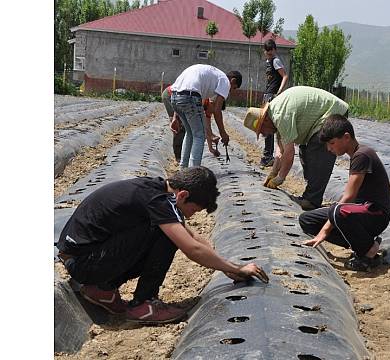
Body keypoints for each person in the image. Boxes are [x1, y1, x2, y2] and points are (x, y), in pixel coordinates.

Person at [56, 167, 269, 324]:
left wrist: (228, 267)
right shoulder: (158, 201)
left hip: (84, 257)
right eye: (193, 210)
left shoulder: (158, 191)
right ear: (183, 195)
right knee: (165, 235)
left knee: (166, 231)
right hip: (85, 263)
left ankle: (102, 289)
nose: (191, 215)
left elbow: (191, 235)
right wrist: (235, 269)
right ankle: (143, 304)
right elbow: (191, 249)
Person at [299, 115, 390, 271]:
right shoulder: (358, 154)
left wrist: (324, 232)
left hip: (376, 215)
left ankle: (368, 251)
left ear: (346, 137)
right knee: (307, 220)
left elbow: (349, 196)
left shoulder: (362, 155)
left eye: (332, 143)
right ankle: (365, 243)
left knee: (337, 212)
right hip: (363, 212)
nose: (329, 149)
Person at [243, 86, 349, 211]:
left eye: (262, 131)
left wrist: (280, 178)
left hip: (333, 112)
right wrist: (273, 173)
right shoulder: (275, 115)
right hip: (319, 120)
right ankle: (312, 193)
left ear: (265, 120)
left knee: (318, 149)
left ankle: (311, 200)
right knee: (304, 152)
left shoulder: (280, 115)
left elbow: (288, 153)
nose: (264, 134)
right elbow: (281, 150)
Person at [171, 64, 242, 167]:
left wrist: (175, 116)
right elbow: (217, 111)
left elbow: (207, 111)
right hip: (190, 97)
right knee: (199, 135)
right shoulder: (225, 81)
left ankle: (183, 168)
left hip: (174, 97)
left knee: (190, 133)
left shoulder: (213, 76)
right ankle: (193, 172)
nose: (230, 91)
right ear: (233, 81)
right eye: (233, 88)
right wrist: (223, 133)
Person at [259, 39, 289, 168]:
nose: (269, 55)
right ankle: (269, 155)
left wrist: (279, 92)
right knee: (264, 127)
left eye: (271, 53)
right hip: (267, 94)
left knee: (269, 127)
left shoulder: (276, 61)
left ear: (275, 50)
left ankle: (269, 156)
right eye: (267, 53)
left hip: (272, 96)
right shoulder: (268, 62)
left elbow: (285, 76)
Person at [161, 85, 185, 163]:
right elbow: (178, 103)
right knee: (179, 126)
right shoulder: (197, 94)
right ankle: (178, 157)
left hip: (178, 97)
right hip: (169, 95)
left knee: (182, 125)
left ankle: (182, 155)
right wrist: (175, 118)